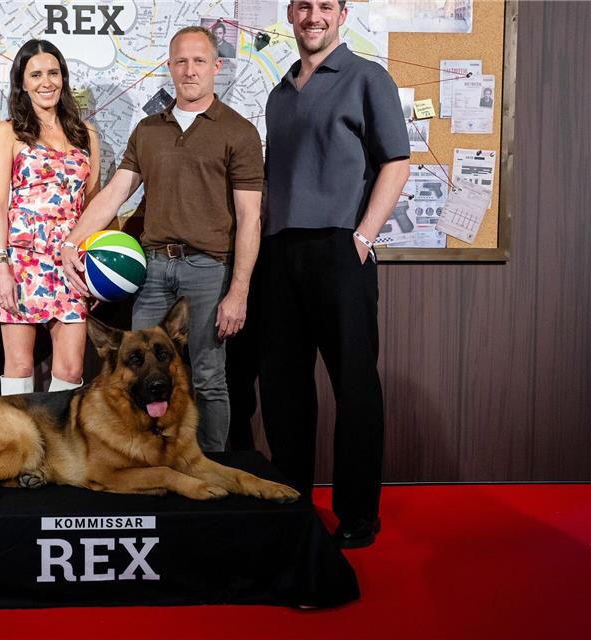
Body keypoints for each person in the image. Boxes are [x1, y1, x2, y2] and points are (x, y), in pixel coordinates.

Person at [60, 26, 264, 452]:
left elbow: (250, 218)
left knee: (208, 378)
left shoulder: (239, 132)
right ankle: (148, 464)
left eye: (199, 61)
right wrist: (71, 243)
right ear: (169, 67)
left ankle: (209, 468)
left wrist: (240, 291)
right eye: (181, 62)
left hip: (209, 271)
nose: (190, 71)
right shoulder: (148, 130)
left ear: (216, 67)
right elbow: (114, 193)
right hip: (152, 271)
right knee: (140, 376)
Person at [259, 0, 410, 548]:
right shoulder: (279, 93)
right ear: (290, 15)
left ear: (342, 14)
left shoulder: (368, 77)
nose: (313, 16)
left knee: (355, 385)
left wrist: (363, 238)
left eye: (325, 6)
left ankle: (358, 514)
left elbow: (397, 161)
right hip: (280, 253)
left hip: (341, 248)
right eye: (304, 6)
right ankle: (294, 502)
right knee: (283, 389)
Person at [0, 40, 101, 395]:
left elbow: (93, 207)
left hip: (71, 261)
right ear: (22, 83)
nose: (46, 82)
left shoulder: (86, 134)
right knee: (20, 366)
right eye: (35, 75)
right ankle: (18, 434)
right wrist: (1, 266)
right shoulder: (8, 132)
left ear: (63, 78)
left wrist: (96, 270)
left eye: (53, 73)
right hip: (21, 261)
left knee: (70, 369)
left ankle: (59, 435)